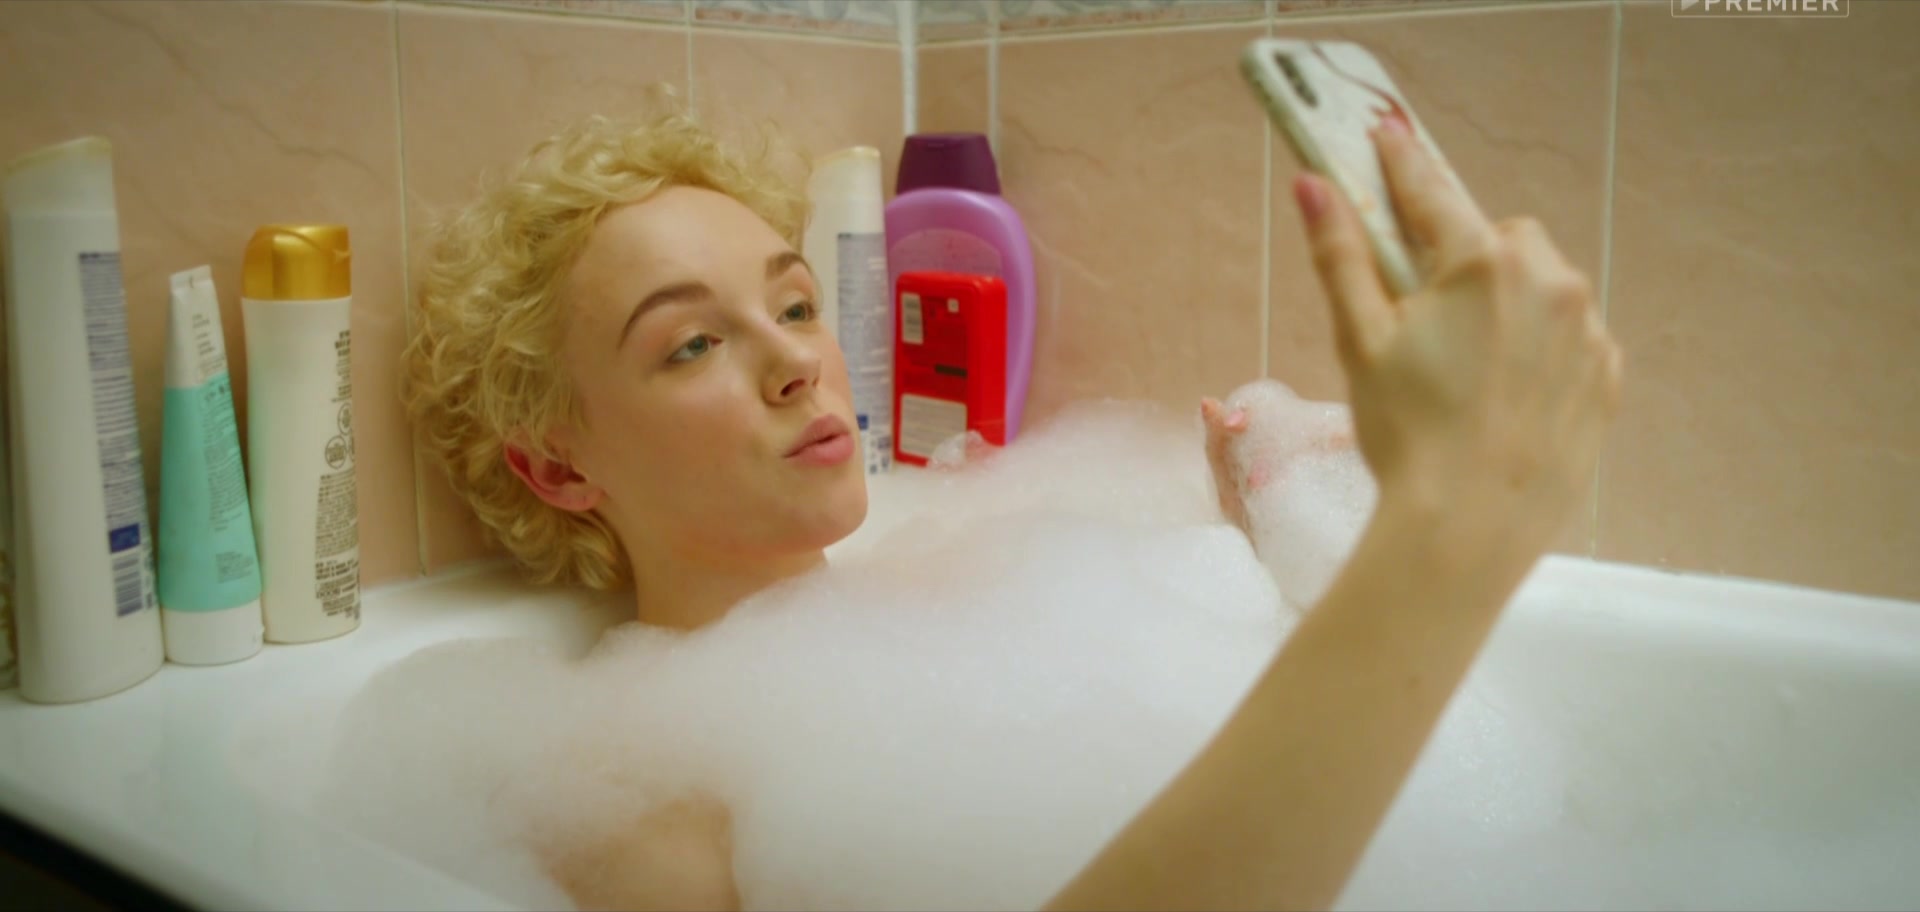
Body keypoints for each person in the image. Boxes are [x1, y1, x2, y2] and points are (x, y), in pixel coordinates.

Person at [403, 100, 1622, 911]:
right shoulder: (642, 816)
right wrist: (1428, 564)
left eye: (794, 306)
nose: (795, 364)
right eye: (690, 345)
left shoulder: (972, 573)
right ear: (557, 468)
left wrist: (1281, 549)